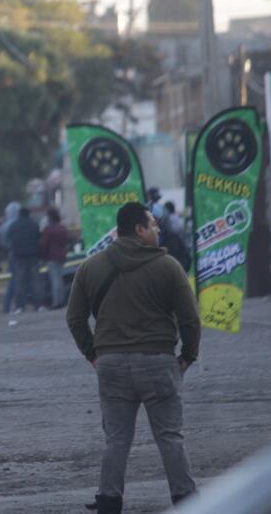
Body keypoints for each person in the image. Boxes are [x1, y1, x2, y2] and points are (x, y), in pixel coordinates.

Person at [66, 202, 200, 514]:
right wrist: (187, 356)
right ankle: (185, 500)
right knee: (169, 437)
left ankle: (109, 501)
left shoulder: (90, 267)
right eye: (153, 225)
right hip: (158, 360)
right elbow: (190, 319)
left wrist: (93, 354)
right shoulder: (168, 266)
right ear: (139, 229)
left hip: (110, 364)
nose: (158, 229)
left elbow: (75, 318)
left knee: (116, 439)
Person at [5, 207, 42, 312]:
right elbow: (38, 238)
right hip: (33, 256)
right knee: (35, 281)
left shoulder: (13, 225)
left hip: (19, 257)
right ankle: (39, 305)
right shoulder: (34, 225)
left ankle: (20, 306)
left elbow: (8, 240)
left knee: (19, 283)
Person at [39, 208, 70, 309]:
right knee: (60, 279)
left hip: (51, 256)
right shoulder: (62, 228)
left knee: (55, 280)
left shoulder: (48, 229)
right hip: (62, 256)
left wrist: (43, 256)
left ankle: (56, 302)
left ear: (50, 217)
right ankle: (62, 300)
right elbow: (66, 241)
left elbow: (44, 244)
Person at [0, 201, 21, 313]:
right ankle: (17, 305)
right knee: (17, 281)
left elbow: (2, 243)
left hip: (11, 255)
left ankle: (7, 306)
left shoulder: (4, 226)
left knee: (13, 280)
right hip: (19, 255)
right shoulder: (19, 223)